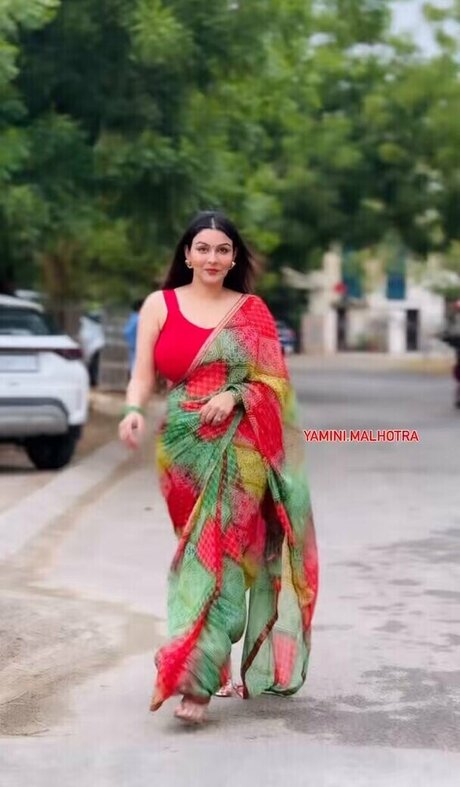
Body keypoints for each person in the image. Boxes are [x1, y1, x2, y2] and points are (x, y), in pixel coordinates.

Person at [118, 210, 319, 725]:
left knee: (222, 554)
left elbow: (274, 383)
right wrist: (133, 410)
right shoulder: (159, 305)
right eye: (203, 248)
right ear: (187, 255)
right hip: (181, 448)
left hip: (241, 444)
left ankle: (195, 678)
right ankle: (210, 655)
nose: (212, 257)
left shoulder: (251, 312)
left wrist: (235, 396)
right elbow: (142, 375)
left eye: (222, 249)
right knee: (197, 557)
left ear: (234, 259)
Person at [123, 299, 144, 374]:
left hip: (135, 347)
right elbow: (128, 331)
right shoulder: (138, 318)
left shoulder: (134, 317)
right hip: (137, 347)